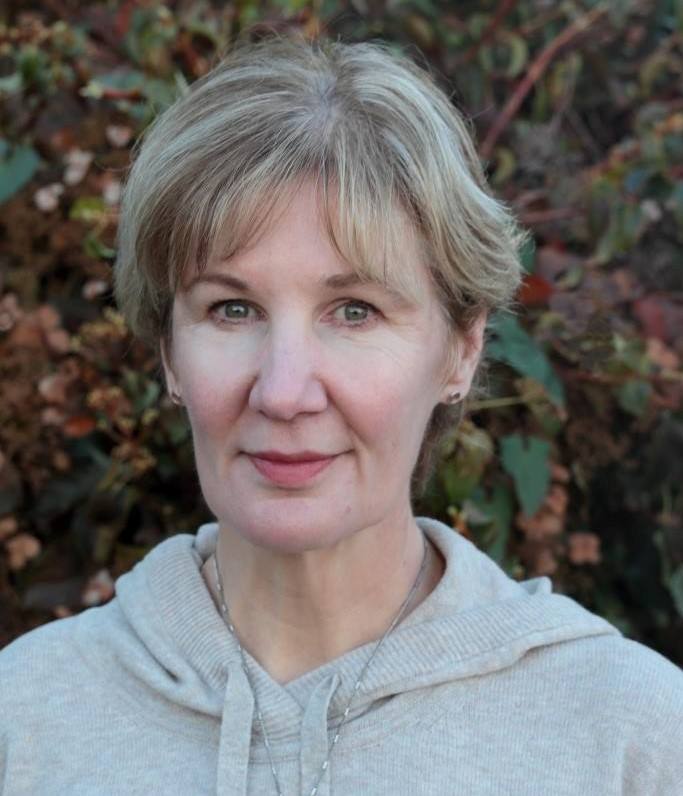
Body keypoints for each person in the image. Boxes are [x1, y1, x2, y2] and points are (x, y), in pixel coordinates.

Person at [1, 34, 682, 796]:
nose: (284, 392)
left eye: (353, 311)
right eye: (231, 308)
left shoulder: (628, 735)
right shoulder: (25, 719)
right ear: (168, 352)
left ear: (460, 350)